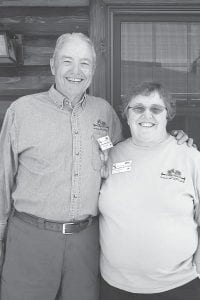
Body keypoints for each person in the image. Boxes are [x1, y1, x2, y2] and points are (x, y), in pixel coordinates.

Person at [0, 33, 194, 300]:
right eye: (67, 61)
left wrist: (178, 142)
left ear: (93, 70)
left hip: (86, 242)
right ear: (52, 65)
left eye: (84, 63)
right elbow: (3, 177)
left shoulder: (103, 113)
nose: (76, 71)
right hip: (32, 237)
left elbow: (130, 157)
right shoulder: (22, 111)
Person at [99, 82, 200, 300]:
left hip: (179, 286)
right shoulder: (110, 157)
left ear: (168, 115)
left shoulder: (190, 157)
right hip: (115, 287)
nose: (147, 115)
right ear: (126, 115)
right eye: (138, 108)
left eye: (156, 109)